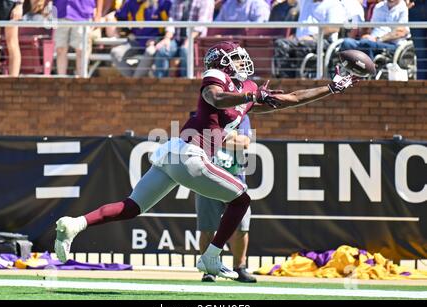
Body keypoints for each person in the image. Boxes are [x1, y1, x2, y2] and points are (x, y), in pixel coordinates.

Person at [53, 41, 358, 279]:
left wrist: (331, 88)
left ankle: (75, 224)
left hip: (176, 154)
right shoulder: (218, 77)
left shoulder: (248, 89)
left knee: (132, 207)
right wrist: (250, 98)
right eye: (236, 57)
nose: (242, 62)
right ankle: (211, 257)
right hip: (189, 153)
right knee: (241, 199)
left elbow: (291, 99)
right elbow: (214, 98)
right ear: (224, 62)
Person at [197, 114, 257, 283]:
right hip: (207, 179)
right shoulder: (205, 115)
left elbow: (244, 143)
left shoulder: (242, 118)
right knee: (208, 228)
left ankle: (240, 268)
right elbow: (199, 141)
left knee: (242, 228)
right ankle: (209, 270)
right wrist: (232, 136)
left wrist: (217, 139)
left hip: (236, 180)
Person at [274, 0, 347, 78]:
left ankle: (298, 79)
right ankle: (285, 80)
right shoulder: (305, 2)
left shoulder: (334, 4)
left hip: (323, 42)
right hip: (300, 40)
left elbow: (333, 28)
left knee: (302, 45)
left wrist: (313, 37)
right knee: (281, 43)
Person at [110, 0, 172, 77]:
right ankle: (134, 82)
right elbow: (120, 17)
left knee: (150, 52)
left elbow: (170, 25)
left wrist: (157, 39)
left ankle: (134, 82)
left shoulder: (163, 2)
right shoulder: (131, 2)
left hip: (153, 43)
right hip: (136, 41)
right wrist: (128, 32)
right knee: (115, 52)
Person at [154, 0, 214, 78]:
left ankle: (186, 82)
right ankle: (159, 84)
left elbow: (202, 24)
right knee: (162, 50)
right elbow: (171, 21)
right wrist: (167, 38)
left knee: (185, 50)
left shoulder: (206, 1)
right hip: (177, 39)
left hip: (197, 41)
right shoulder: (176, 1)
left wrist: (189, 39)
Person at [340, 0, 410, 60]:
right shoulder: (379, 6)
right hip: (371, 41)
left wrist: (378, 39)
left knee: (366, 44)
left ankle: (367, 73)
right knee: (347, 42)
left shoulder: (404, 8)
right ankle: (347, 72)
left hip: (391, 44)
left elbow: (401, 32)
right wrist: (366, 35)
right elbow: (371, 27)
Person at [53, 0, 104, 77]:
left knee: (82, 50)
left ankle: (82, 80)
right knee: (60, 49)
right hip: (60, 12)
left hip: (82, 14)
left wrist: (98, 15)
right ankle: (61, 79)